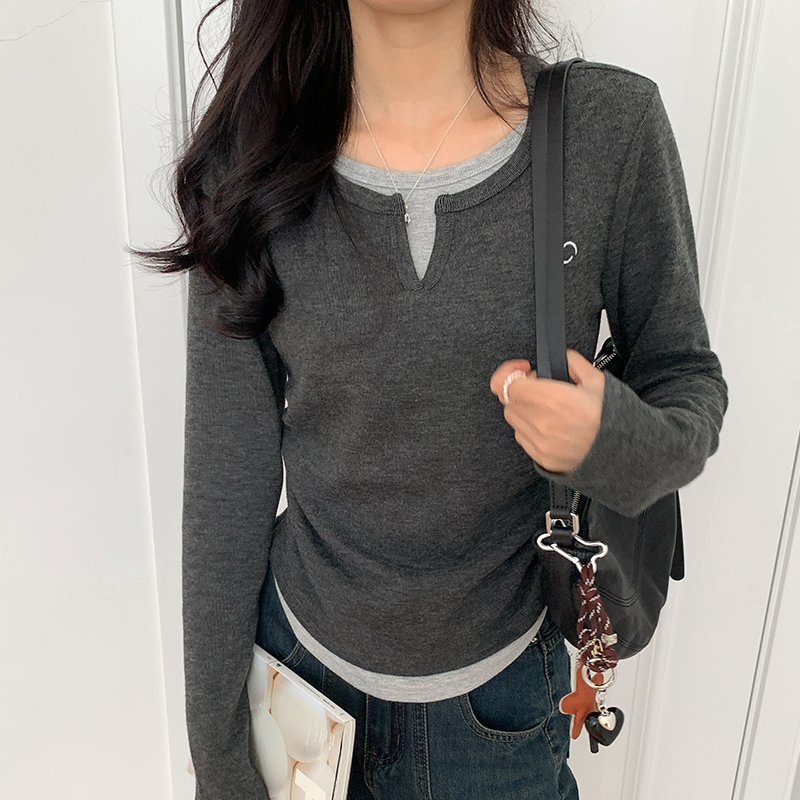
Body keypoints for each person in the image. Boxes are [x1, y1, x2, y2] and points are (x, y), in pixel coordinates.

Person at [131, 1, 729, 798]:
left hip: (504, 714)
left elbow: (688, 383)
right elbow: (224, 483)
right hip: (296, 691)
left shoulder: (609, 131)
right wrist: (218, 759)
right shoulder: (247, 164)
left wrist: (609, 441)